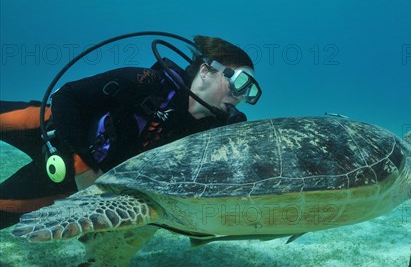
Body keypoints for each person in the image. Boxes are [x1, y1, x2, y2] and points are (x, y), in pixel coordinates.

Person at [0, 35, 262, 229]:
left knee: (4, 210)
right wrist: (83, 166)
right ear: (206, 70)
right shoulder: (148, 82)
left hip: (73, 180)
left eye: (250, 92)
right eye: (240, 82)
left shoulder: (217, 131)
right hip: (51, 125)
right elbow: (68, 96)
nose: (240, 97)